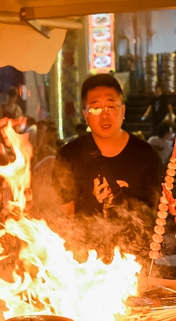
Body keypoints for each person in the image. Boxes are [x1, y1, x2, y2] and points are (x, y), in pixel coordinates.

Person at [52, 74, 164, 219]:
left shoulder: (147, 154)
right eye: (96, 108)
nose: (104, 115)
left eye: (111, 106)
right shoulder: (68, 155)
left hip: (137, 240)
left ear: (123, 111)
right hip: (83, 240)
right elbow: (63, 213)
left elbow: (160, 210)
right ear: (86, 116)